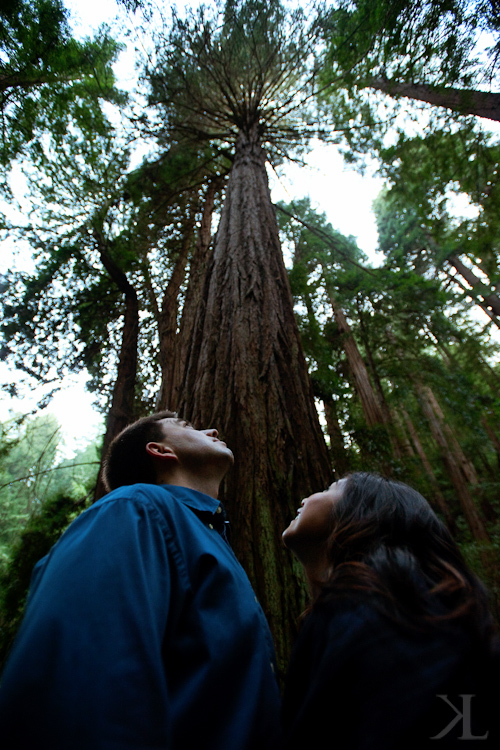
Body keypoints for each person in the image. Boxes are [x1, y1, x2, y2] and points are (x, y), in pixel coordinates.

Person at [0, 411, 282, 750]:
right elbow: (83, 683)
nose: (213, 429)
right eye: (187, 427)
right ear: (160, 451)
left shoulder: (210, 540)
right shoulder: (131, 510)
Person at [281, 472, 499, 749]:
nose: (305, 498)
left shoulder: (385, 608)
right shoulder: (383, 605)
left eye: (331, 488)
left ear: (364, 512)